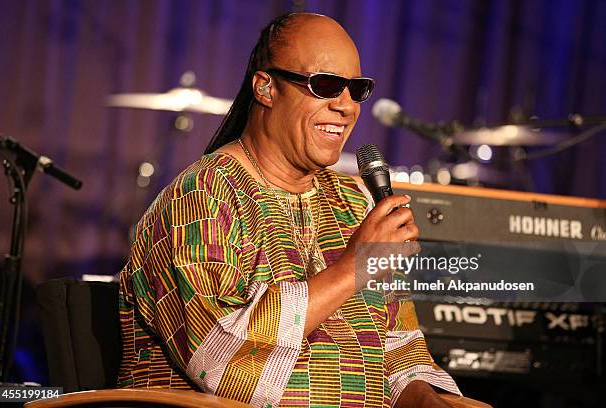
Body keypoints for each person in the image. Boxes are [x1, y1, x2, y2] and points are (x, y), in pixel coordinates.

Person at [117, 12, 464, 407]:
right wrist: (351, 270)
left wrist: (428, 403)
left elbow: (400, 351)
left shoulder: (353, 201)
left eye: (357, 89)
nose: (346, 106)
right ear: (266, 88)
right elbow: (220, 358)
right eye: (327, 85)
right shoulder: (201, 198)